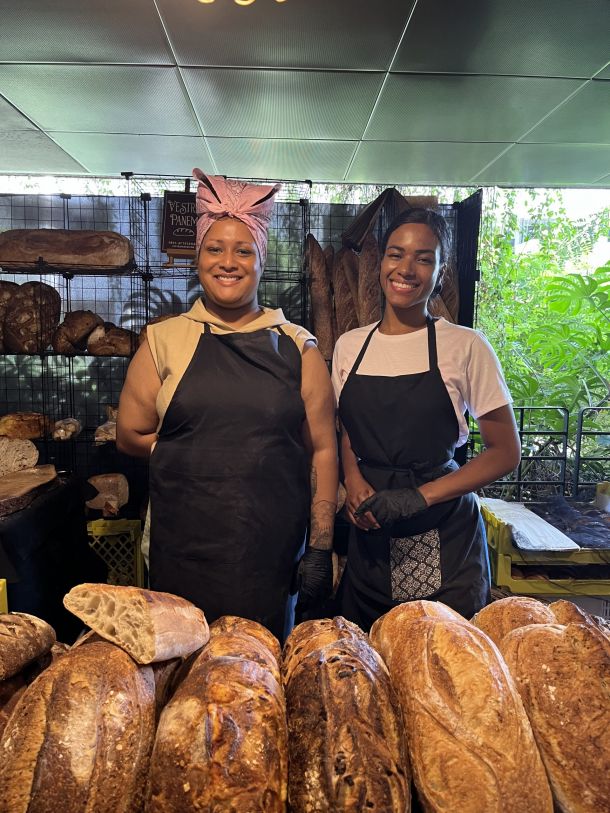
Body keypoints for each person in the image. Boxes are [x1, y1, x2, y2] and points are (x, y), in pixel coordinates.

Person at [117, 170, 338, 641]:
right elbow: (130, 434)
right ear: (198, 258)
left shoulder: (298, 347)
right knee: (182, 671)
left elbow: (322, 450)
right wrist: (192, 453)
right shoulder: (163, 340)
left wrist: (321, 546)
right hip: (182, 555)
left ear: (262, 260)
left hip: (270, 560)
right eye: (214, 249)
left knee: (258, 673)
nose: (228, 263)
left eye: (243, 251)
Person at [332, 208, 521, 631]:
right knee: (368, 654)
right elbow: (348, 428)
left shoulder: (466, 346)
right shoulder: (350, 346)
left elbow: (506, 452)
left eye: (423, 258)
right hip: (373, 532)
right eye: (396, 254)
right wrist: (353, 479)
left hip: (444, 534)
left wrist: (419, 497)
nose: (406, 269)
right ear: (381, 262)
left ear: (441, 272)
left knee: (441, 653)